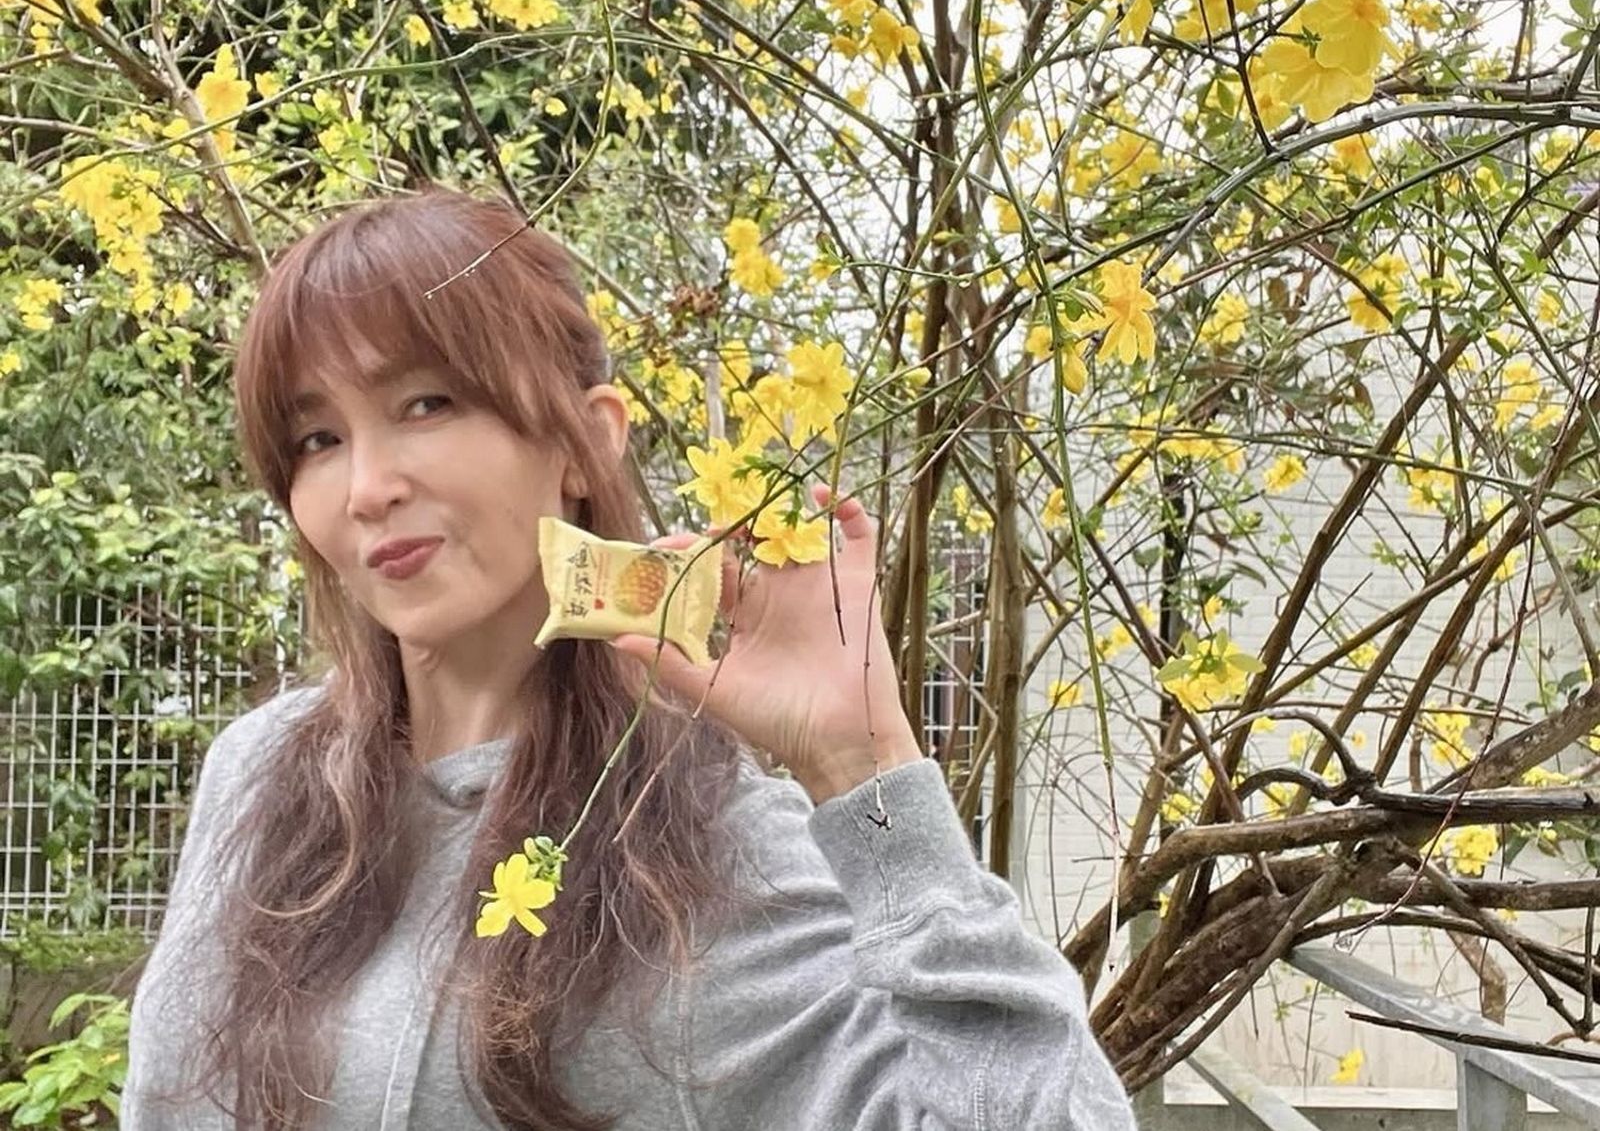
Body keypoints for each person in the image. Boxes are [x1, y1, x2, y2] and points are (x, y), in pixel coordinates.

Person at [121, 182, 1138, 1130]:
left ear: (584, 441)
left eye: (426, 403)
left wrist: (863, 767)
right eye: (316, 439)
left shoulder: (696, 845)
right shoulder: (262, 772)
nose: (365, 488)